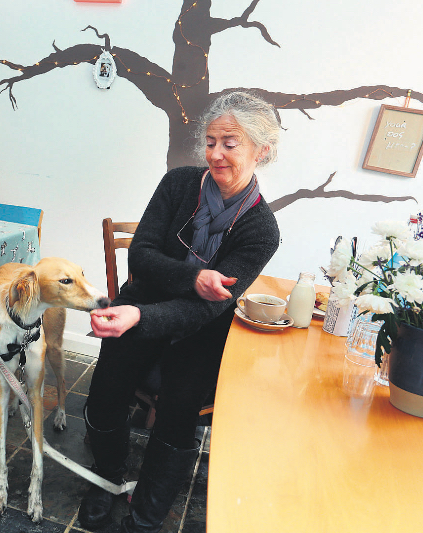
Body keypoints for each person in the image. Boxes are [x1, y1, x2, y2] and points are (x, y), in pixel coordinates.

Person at [79, 91, 282, 532]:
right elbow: (142, 255)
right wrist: (193, 279)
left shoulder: (261, 230)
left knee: (180, 407)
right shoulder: (179, 184)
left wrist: (145, 316)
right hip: (143, 301)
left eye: (230, 143)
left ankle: (148, 511)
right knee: (107, 389)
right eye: (210, 142)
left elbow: (206, 313)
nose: (215, 153)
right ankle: (106, 477)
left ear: (261, 151)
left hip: (200, 329)